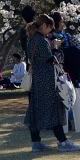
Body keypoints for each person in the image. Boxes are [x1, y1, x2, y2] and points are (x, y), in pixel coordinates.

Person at [25, 14, 76, 152]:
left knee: (35, 111)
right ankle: (63, 142)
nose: (50, 31)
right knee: (54, 110)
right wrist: (55, 46)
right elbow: (50, 59)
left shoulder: (31, 40)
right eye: (49, 28)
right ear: (44, 26)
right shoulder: (42, 41)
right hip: (47, 79)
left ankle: (36, 143)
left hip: (37, 79)